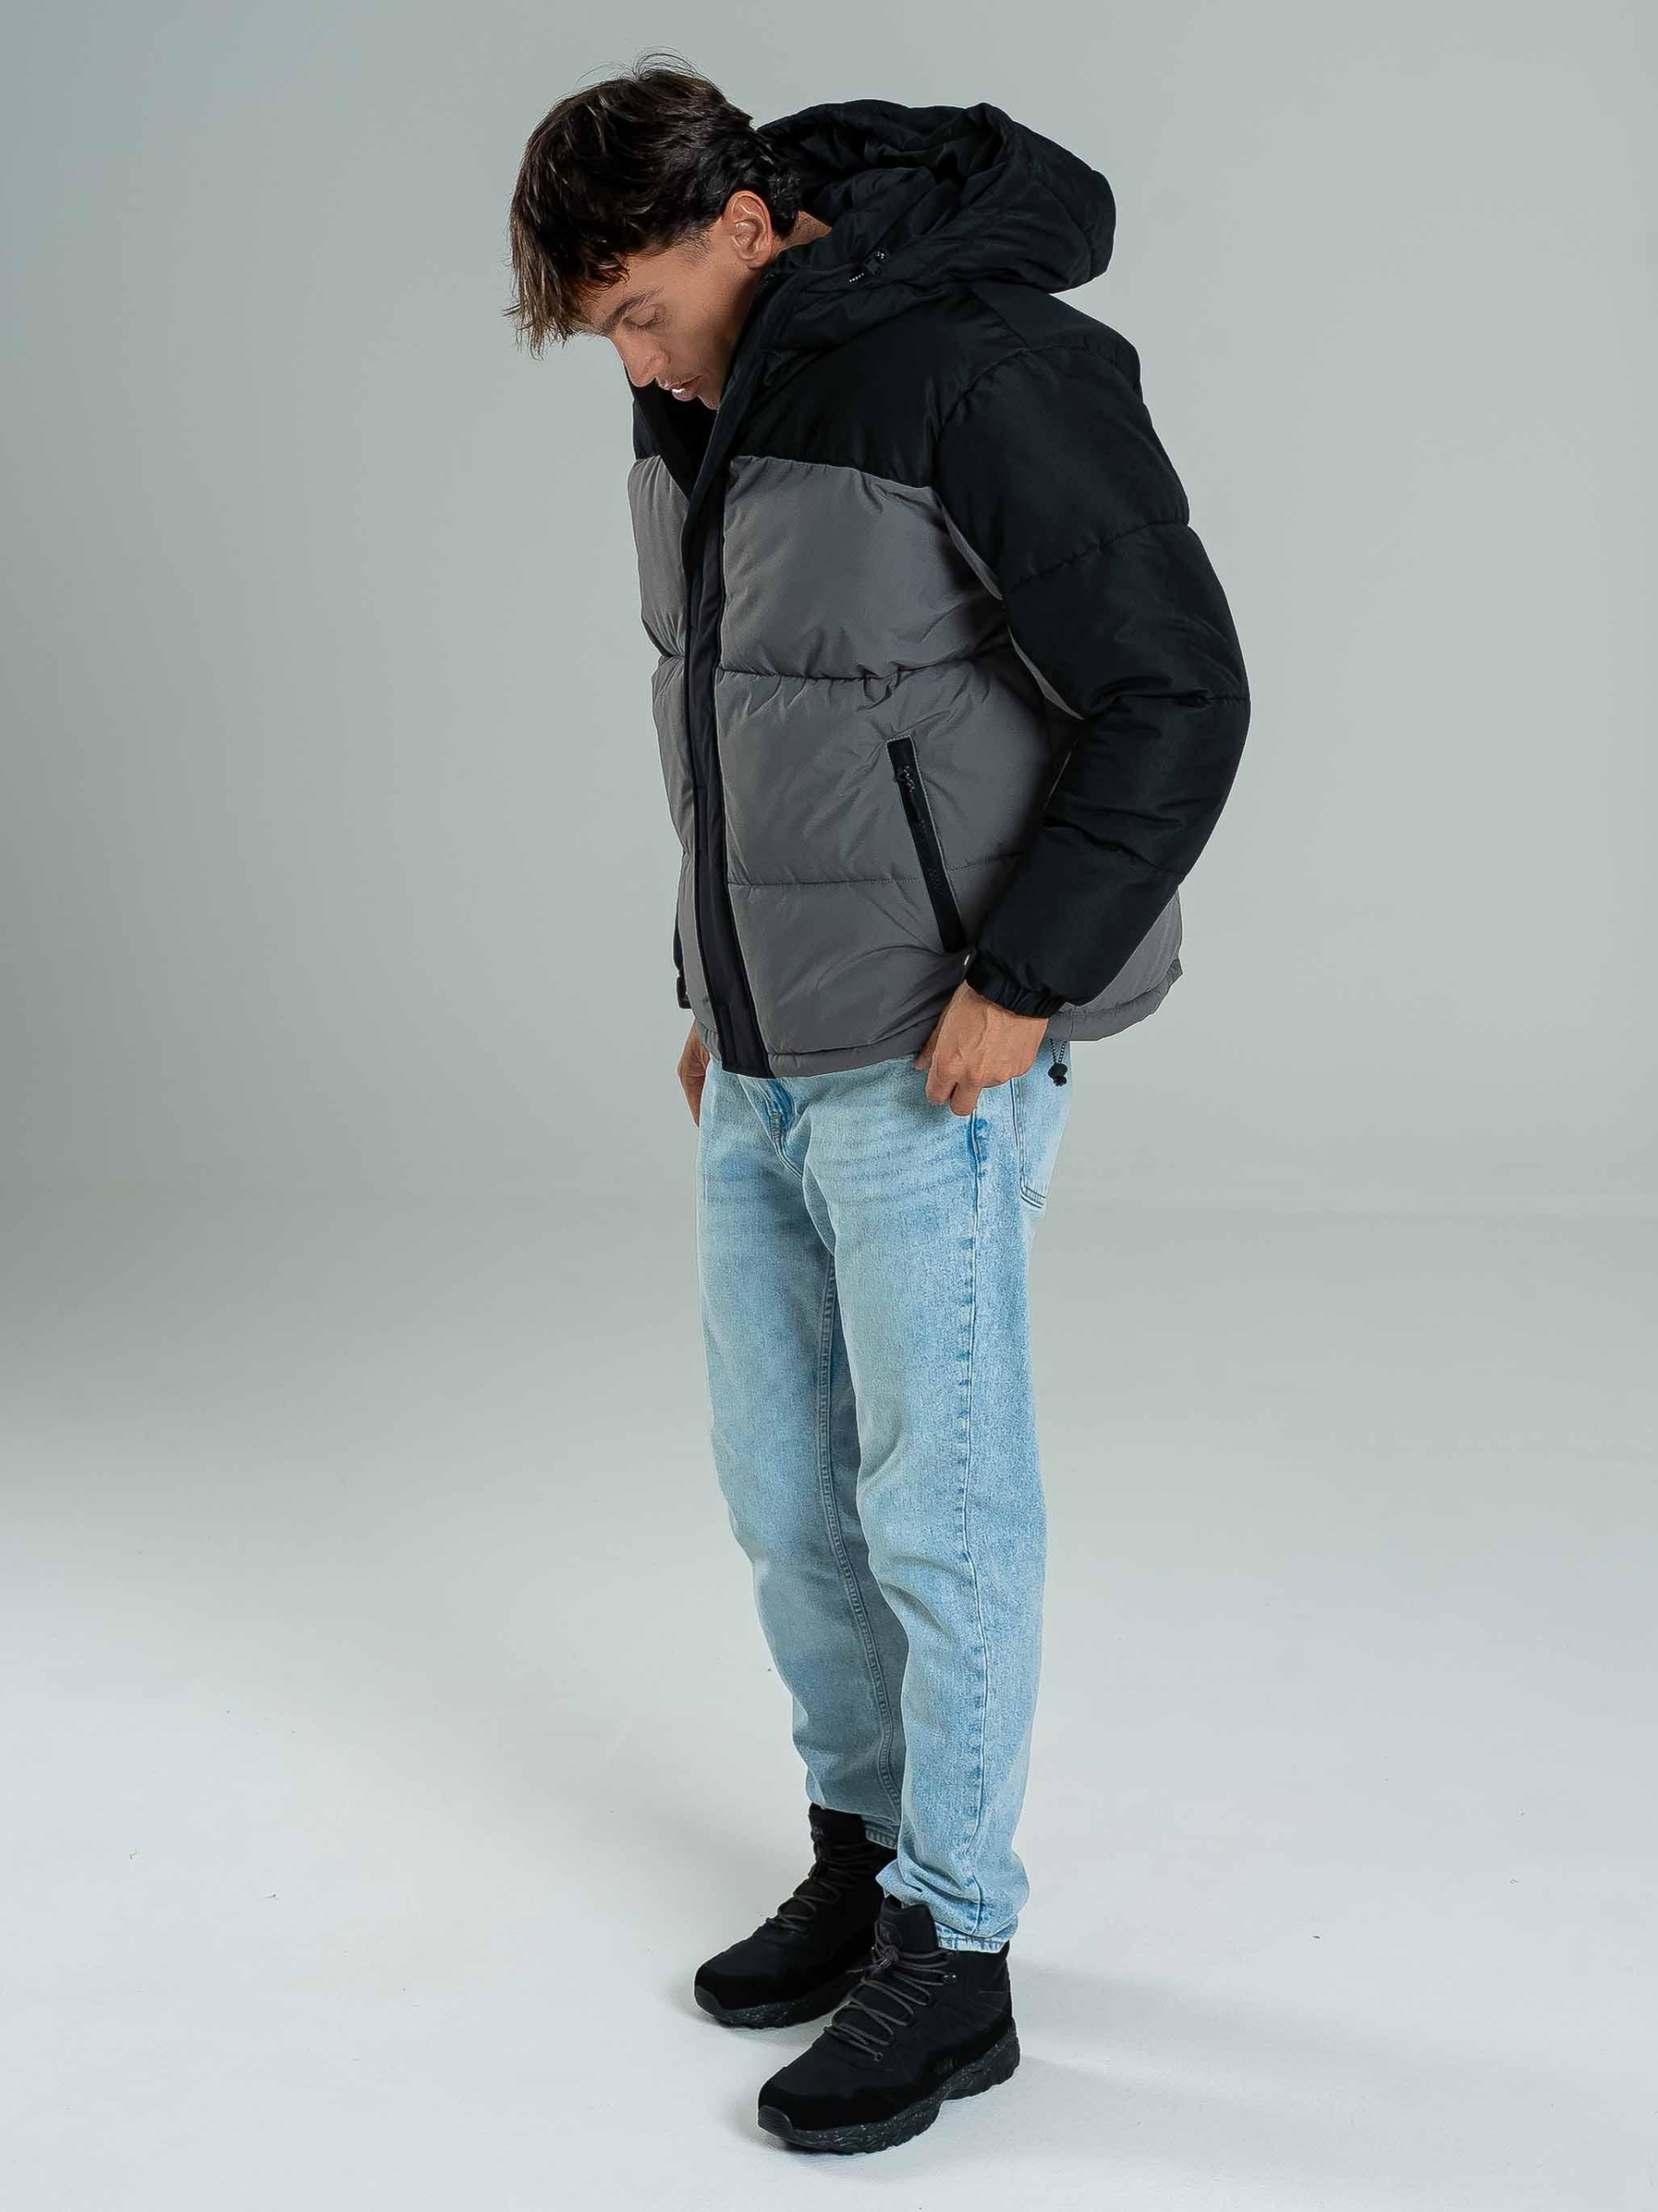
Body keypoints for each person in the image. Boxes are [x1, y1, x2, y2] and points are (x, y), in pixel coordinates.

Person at [506, 58, 1250, 2156]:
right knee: (786, 1490)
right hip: (767, 1049)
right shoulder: (705, 390)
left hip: (934, 1050)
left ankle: (960, 1942)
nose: (630, 360)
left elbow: (1180, 686)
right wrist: (712, 980)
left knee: (942, 1503)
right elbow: (738, 713)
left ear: (745, 224)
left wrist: (1025, 977)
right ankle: (861, 1851)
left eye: (639, 310)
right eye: (602, 333)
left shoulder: (978, 366)